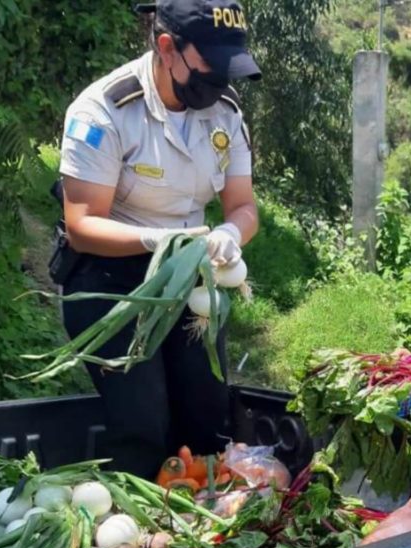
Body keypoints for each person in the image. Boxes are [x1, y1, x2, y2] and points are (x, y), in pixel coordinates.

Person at [56, 0, 261, 477]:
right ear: (167, 48)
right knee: (143, 424)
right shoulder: (104, 110)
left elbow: (243, 206)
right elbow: (83, 225)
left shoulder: (224, 113)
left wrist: (231, 233)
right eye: (211, 68)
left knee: (207, 415)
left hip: (190, 275)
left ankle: (203, 524)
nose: (220, 84)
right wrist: (163, 241)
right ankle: (141, 536)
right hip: (112, 277)